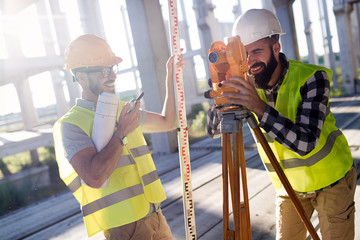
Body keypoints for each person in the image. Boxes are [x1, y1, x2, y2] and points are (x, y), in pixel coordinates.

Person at [206, 9, 357, 240]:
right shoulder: (245, 83)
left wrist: (258, 106)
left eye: (256, 51)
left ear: (276, 48)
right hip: (288, 188)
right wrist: (222, 91)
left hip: (331, 181)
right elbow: (212, 131)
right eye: (243, 53)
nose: (249, 61)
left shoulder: (312, 78)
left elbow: (305, 143)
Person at [53, 34, 184, 240]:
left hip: (156, 216)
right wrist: (121, 133)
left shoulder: (123, 110)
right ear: (81, 77)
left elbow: (168, 122)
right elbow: (94, 177)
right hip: (125, 230)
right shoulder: (71, 124)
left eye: (113, 69)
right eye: (105, 71)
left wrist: (171, 76)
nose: (112, 76)